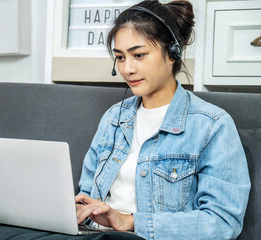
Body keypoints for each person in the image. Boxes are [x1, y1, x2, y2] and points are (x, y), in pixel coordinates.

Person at [75, 0, 251, 239]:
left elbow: (222, 222)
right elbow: (86, 195)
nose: (127, 69)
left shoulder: (212, 125)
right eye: (120, 57)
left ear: (172, 53)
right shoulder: (113, 118)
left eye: (139, 55)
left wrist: (130, 222)